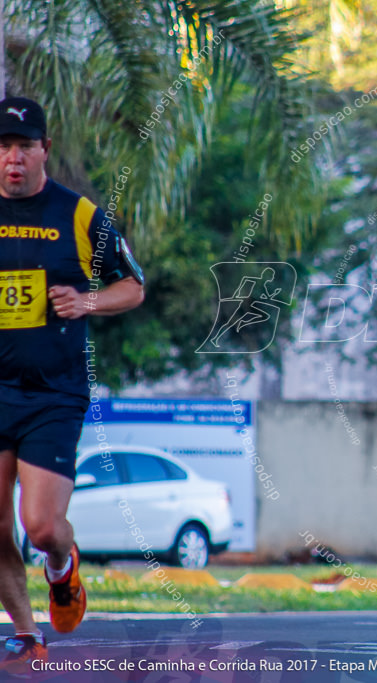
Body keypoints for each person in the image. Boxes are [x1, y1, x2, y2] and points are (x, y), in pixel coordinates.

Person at [0, 96, 145, 673]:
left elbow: (132, 287)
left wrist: (86, 299)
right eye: (4, 148)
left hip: (51, 395)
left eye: (23, 146)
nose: (13, 159)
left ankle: (61, 568)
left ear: (44, 150)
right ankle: (27, 633)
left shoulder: (78, 215)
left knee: (40, 526)